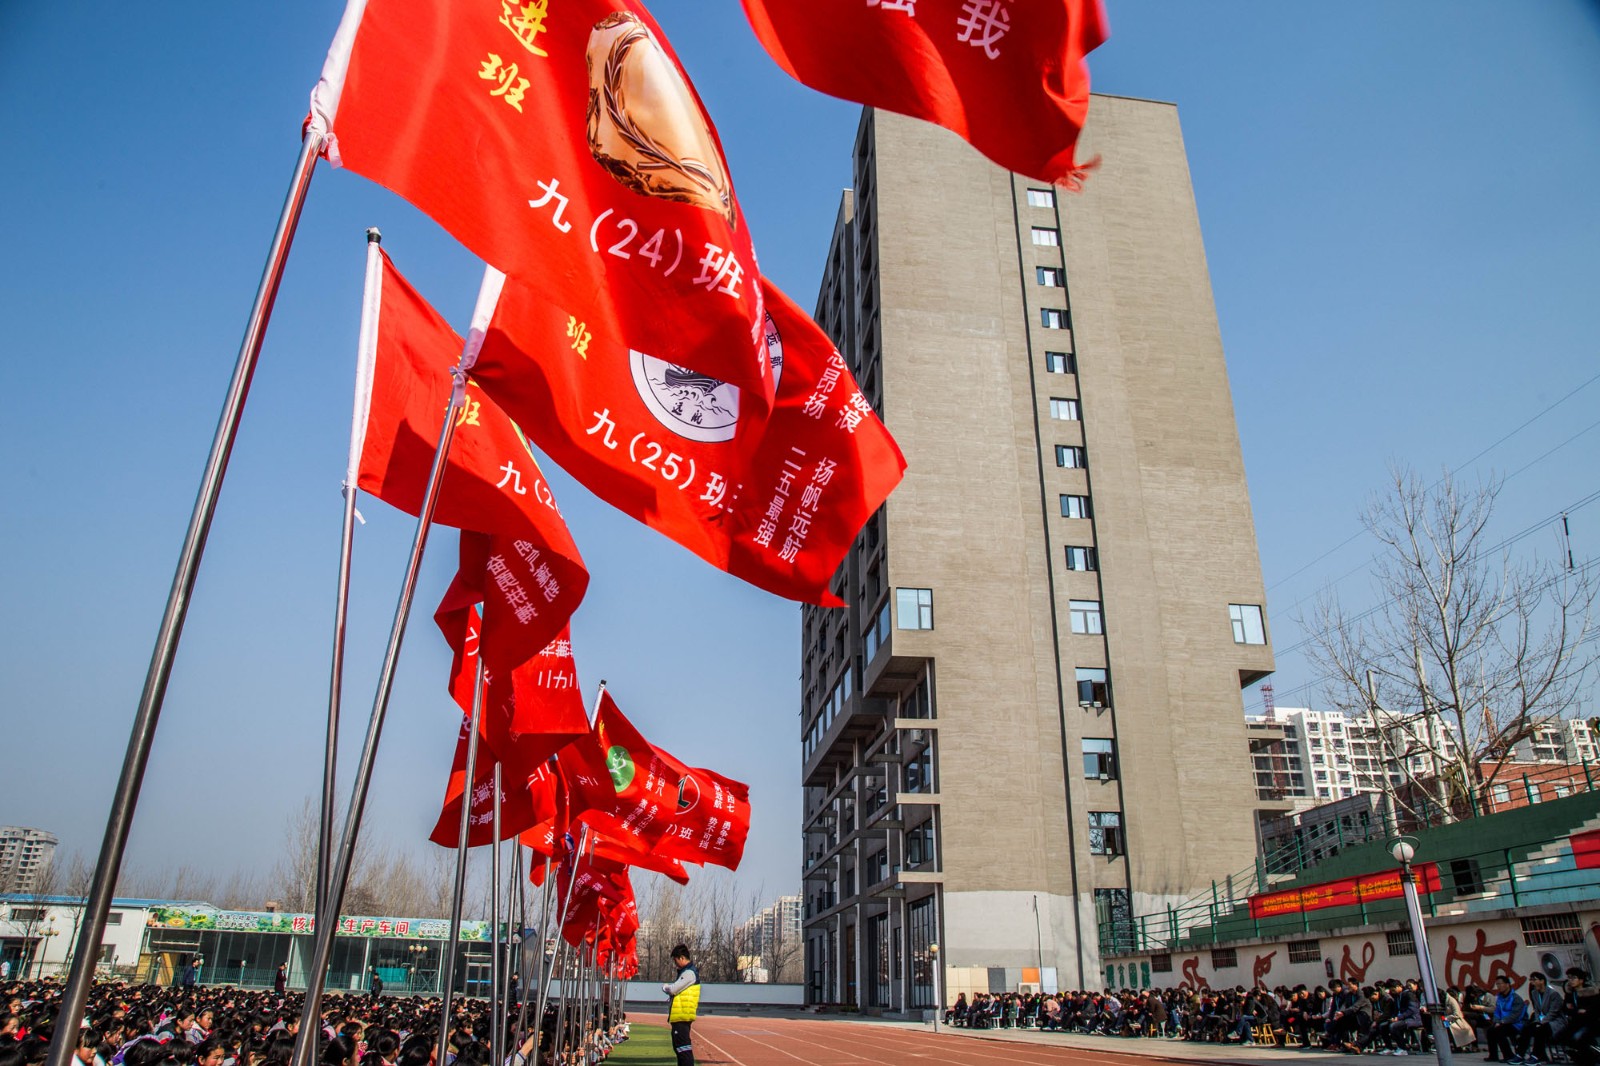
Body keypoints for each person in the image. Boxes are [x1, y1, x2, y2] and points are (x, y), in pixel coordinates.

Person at [661, 944, 700, 1066]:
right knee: (680, 1049)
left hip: (682, 1016)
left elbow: (673, 989)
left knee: (683, 1050)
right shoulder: (686, 972)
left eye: (676, 960)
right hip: (681, 1016)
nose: (675, 964)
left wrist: (665, 987)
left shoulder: (689, 973)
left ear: (682, 958)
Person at [1517, 971, 1566, 1065]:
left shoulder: (1553, 994)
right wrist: (1537, 1021)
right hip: (1541, 1020)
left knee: (1540, 1030)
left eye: (1534, 980)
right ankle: (1520, 1055)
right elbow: (1536, 1010)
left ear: (1542, 981)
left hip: (1555, 1022)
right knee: (1527, 1029)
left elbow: (1553, 1012)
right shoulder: (1534, 993)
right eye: (1531, 980)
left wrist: (1542, 1022)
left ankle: (1536, 1056)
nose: (1532, 982)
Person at [1486, 975, 1527, 1063]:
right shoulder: (1499, 997)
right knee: (1490, 1030)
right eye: (1497, 984)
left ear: (1507, 984)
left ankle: (1508, 1055)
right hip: (1503, 1023)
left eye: (1500, 984)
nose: (1498, 986)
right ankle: (1493, 1055)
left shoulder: (1516, 998)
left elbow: (1516, 1015)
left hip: (1516, 1024)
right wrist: (1496, 1021)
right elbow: (1497, 1012)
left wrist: (1502, 1022)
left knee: (1499, 1031)